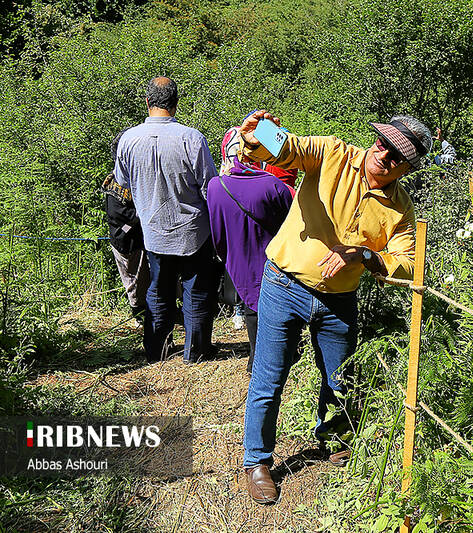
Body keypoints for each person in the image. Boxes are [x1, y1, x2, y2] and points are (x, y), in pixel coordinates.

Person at [238, 111, 431, 504]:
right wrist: (258, 135)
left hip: (338, 301)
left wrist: (363, 255)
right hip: (283, 284)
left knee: (340, 380)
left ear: (407, 168)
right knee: (268, 379)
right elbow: (288, 148)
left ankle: (334, 440)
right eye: (383, 143)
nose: (384, 154)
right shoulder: (332, 154)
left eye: (397, 155)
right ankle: (257, 462)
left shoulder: (401, 209)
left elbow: (409, 265)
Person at [114, 76, 218, 364]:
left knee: (158, 291)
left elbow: (122, 182)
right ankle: (195, 352)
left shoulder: (128, 139)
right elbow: (210, 187)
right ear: (175, 103)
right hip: (193, 231)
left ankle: (156, 351)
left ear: (148, 102)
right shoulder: (192, 138)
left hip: (154, 230)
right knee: (195, 291)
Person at [208, 124, 295, 372]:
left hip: (238, 257)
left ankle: (255, 358)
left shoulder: (216, 185)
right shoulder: (272, 184)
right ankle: (280, 358)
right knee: (276, 308)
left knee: (250, 307)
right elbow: (292, 221)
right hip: (273, 255)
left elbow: (217, 233)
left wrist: (228, 256)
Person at [103, 128, 150, 323]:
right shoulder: (115, 184)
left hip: (139, 239)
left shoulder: (136, 177)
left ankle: (148, 318)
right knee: (134, 284)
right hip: (127, 242)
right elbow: (119, 216)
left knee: (145, 283)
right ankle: (140, 318)